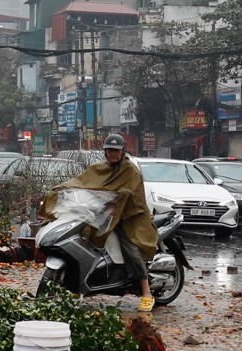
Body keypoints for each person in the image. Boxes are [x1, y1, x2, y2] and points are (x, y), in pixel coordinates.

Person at [43, 133, 159, 312]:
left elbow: (133, 195)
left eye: (116, 151)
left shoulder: (131, 170)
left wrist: (118, 201)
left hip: (126, 216)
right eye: (110, 150)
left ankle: (146, 293)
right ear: (105, 152)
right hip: (100, 214)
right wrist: (62, 189)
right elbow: (82, 182)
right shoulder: (99, 168)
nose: (113, 154)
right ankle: (77, 286)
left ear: (122, 152)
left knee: (130, 249)